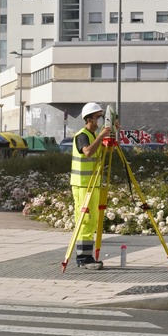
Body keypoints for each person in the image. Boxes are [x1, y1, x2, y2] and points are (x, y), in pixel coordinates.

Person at [70, 102, 113, 269]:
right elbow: (87, 152)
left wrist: (110, 138)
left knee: (91, 220)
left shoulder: (94, 136)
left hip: (92, 185)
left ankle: (86, 256)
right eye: (97, 117)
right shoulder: (82, 135)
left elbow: (104, 153)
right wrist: (101, 136)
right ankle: (83, 258)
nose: (100, 120)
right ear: (89, 119)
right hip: (83, 186)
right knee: (85, 220)